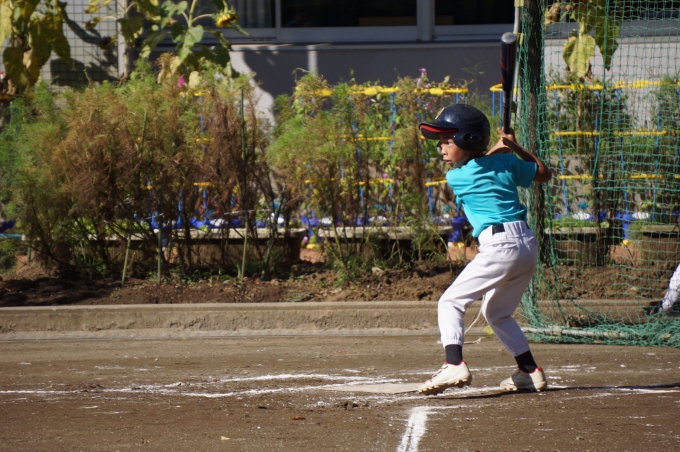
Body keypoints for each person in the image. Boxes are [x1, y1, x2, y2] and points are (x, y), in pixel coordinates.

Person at [416, 104, 552, 395]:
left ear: (468, 139)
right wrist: (514, 147)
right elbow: (543, 173)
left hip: (499, 247)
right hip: (526, 247)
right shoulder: (507, 163)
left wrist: (498, 149)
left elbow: (480, 167)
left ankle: (454, 363)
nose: (441, 148)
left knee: (450, 302)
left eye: (447, 141)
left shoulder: (456, 177)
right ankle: (530, 371)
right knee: (497, 313)